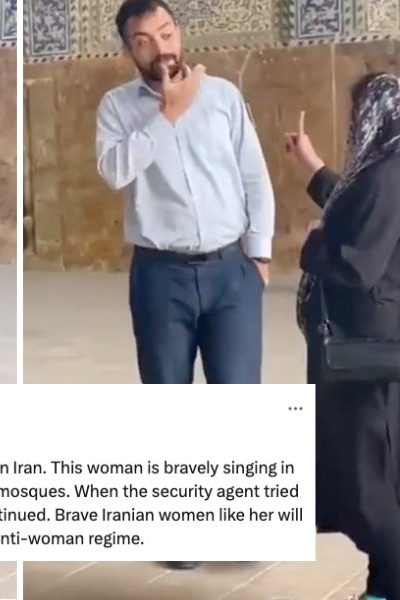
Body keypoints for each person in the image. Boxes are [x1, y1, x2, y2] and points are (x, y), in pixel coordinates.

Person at [95, 0, 275, 571]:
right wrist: (165, 115)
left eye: (166, 33)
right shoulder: (118, 107)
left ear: (180, 34)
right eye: (144, 40)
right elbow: (113, 171)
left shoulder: (222, 96)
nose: (161, 47)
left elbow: (254, 176)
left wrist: (260, 254)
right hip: (159, 275)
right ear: (129, 49)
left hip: (230, 272)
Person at [285, 73, 400, 600]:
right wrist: (311, 165)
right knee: (375, 474)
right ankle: (381, 589)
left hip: (366, 355)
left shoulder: (389, 178)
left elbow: (358, 265)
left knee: (370, 486)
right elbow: (353, 209)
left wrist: (312, 247)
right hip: (376, 345)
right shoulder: (392, 172)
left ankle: (398, 592)